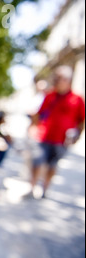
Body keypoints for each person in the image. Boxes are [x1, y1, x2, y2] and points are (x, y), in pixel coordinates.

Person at [28, 65, 85, 199]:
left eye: (60, 79)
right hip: (43, 136)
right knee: (37, 162)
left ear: (68, 80)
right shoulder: (50, 96)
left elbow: (81, 120)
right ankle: (32, 187)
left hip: (61, 140)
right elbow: (39, 113)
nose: (57, 81)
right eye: (56, 78)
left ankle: (45, 188)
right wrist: (32, 126)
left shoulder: (77, 99)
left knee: (52, 166)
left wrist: (78, 136)